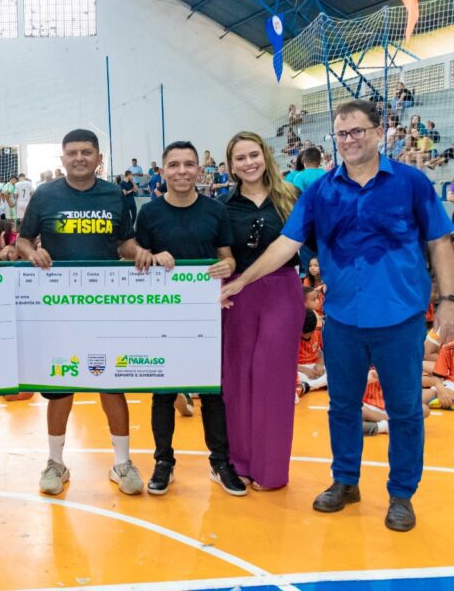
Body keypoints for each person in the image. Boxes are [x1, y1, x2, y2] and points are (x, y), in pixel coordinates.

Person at [221, 99, 454, 532]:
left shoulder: (411, 183)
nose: (349, 140)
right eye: (342, 133)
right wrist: (242, 281)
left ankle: (401, 494)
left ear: (378, 131)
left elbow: (440, 240)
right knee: (342, 406)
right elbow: (286, 245)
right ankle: (346, 481)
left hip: (400, 317)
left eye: (357, 131)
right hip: (344, 318)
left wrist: (449, 300)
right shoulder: (321, 191)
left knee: (404, 410)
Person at [16, 129, 146, 498]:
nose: (79, 158)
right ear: (62, 159)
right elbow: (23, 239)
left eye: (86, 152)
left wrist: (139, 252)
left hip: (104, 305)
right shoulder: (46, 195)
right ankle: (55, 463)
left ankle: (122, 462)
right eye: (72, 153)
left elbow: (124, 242)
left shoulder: (115, 195)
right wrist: (31, 253)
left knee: (111, 381)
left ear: (99, 158)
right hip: (57, 306)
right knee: (60, 385)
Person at [134, 140, 247, 497]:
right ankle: (163, 461)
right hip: (162, 316)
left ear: (199, 169)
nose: (181, 171)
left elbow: (227, 257)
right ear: (162, 171)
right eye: (174, 164)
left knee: (212, 392)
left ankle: (220, 462)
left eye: (188, 164)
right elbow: (136, 257)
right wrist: (151, 256)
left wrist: (227, 265)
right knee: (163, 393)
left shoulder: (215, 211)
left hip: (205, 317)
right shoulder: (149, 214)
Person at [218, 132, 304, 490]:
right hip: (237, 293)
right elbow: (219, 252)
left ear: (265, 155)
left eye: (254, 154)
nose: (249, 163)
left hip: (282, 291)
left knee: (274, 379)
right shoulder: (223, 206)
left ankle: (270, 470)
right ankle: (239, 463)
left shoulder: (291, 196)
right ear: (231, 165)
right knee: (236, 379)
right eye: (240, 158)